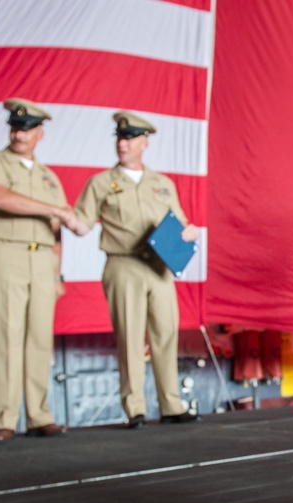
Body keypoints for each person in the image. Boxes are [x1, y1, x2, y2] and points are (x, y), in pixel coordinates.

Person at [73, 111, 200, 429]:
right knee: (130, 336)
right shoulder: (101, 183)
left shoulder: (162, 183)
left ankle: (171, 404)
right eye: (120, 137)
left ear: (144, 142)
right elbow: (81, 223)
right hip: (123, 264)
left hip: (159, 267)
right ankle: (135, 408)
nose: (123, 143)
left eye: (130, 138)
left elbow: (180, 221)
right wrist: (55, 213)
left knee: (166, 332)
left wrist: (190, 231)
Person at [0, 98, 83, 443]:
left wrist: (57, 273)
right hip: (6, 254)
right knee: (7, 337)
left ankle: (39, 415)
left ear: (40, 133)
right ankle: (5, 419)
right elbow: (0, 198)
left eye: (26, 129)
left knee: (39, 339)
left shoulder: (48, 176)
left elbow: (56, 230)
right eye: (15, 128)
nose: (19, 134)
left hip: (42, 262)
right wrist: (56, 209)